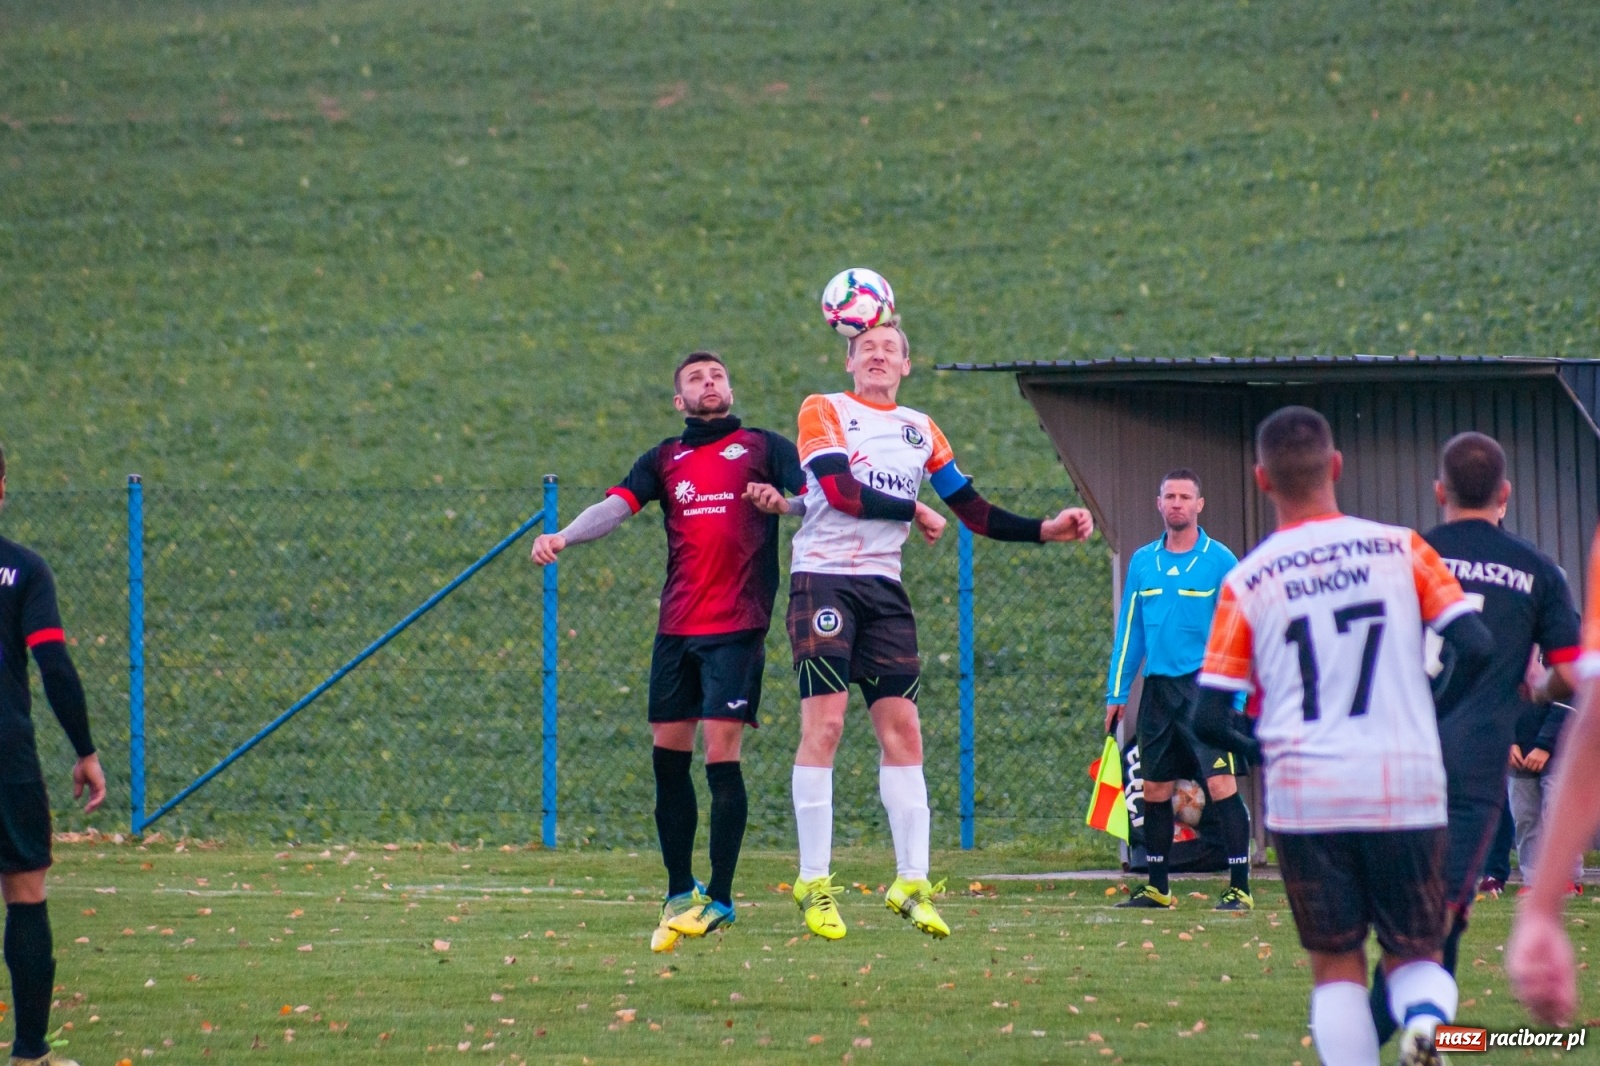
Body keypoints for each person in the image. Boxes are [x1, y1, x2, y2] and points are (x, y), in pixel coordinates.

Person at [762, 321, 1093, 942]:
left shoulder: (921, 428)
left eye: (891, 349)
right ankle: (814, 880)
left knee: (904, 732)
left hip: (884, 590)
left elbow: (971, 508)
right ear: (850, 360)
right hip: (825, 580)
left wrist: (1043, 530)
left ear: (907, 365)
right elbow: (836, 488)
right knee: (826, 726)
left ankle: (911, 882)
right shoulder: (823, 409)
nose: (879, 356)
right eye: (868, 349)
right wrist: (910, 507)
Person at [1187, 406, 1493, 1066]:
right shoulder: (1403, 547)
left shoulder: (1247, 581)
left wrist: (1264, 748)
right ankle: (1423, 1026)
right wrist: (1428, 717)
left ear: (1261, 479)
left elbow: (1207, 717)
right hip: (1403, 780)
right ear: (1337, 466)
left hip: (1309, 796)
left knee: (1336, 967)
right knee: (1418, 953)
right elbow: (1476, 643)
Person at [529, 352, 805, 952]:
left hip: (737, 626)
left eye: (718, 376)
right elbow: (616, 506)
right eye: (696, 380)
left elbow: (820, 500)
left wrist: (784, 505)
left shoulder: (765, 447)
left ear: (730, 388)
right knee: (666, 758)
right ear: (680, 402)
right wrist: (563, 535)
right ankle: (680, 890)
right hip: (676, 628)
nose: (711, 384)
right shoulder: (663, 458)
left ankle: (723, 899)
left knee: (720, 755)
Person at [1364, 432, 1581, 1045]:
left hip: (1398, 755)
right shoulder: (1539, 571)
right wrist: (1535, 689)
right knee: (1441, 917)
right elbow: (1568, 669)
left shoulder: (1405, 555)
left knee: (1421, 919)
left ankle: (1410, 1034)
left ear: (1440, 491)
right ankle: (1384, 1032)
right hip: (1475, 763)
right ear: (1505, 494)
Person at [0, 445, 107, 1066]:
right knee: (24, 888)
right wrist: (85, 750)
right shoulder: (23, 570)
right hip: (4, 751)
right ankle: (30, 1053)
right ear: (2, 488)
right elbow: (54, 664)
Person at [1104, 470, 1252, 911]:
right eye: (1169, 495)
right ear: (1158, 503)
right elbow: (1130, 633)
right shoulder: (1143, 562)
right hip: (1158, 694)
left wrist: (1236, 700)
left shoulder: (1220, 560)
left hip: (1207, 692)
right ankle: (1157, 887)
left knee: (1221, 784)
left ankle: (1239, 886)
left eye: (1185, 496)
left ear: (1199, 505)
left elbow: (1240, 631)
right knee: (1154, 790)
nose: (1177, 503)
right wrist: (1117, 693)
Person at [1506, 527, 1600, 1026]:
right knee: (1525, 815)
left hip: (1554, 745)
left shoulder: (1573, 630)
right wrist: (1511, 740)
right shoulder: (1515, 639)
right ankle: (1536, 875)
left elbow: (1578, 695)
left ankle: (1569, 878)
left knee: (1550, 800)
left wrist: (1544, 743)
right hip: (1518, 747)